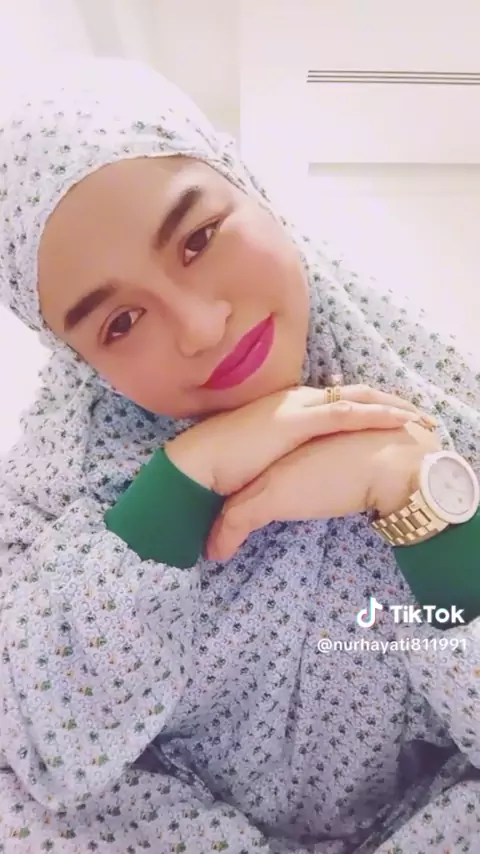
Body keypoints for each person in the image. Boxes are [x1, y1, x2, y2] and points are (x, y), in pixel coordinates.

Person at [0, 57, 479, 854]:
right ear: (82, 363)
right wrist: (175, 489)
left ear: (251, 187)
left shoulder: (437, 394)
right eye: (119, 324)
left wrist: (420, 501)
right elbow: (40, 749)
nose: (200, 327)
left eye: (199, 238)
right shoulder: (56, 492)